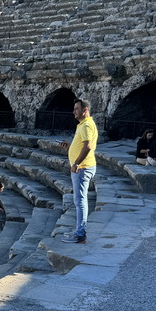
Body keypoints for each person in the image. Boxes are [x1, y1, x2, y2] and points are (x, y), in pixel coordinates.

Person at [58, 99, 98, 244]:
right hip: (83, 167)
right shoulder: (83, 125)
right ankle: (79, 231)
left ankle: (80, 234)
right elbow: (82, 145)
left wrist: (76, 163)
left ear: (85, 110)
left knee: (80, 201)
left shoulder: (86, 125)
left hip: (82, 168)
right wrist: (69, 146)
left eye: (76, 109)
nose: (74, 111)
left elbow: (88, 146)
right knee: (80, 200)